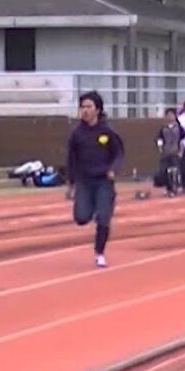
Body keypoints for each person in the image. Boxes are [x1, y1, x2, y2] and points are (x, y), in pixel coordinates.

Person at [66, 90, 125, 269]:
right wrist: (71, 184)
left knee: (103, 218)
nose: (85, 110)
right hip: (84, 181)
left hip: (103, 181)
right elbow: (71, 159)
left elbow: (119, 153)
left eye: (88, 107)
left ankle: (99, 253)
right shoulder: (76, 134)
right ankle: (90, 206)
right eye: (82, 107)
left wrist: (113, 169)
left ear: (97, 109)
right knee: (81, 217)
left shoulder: (108, 131)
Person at [155, 107, 183, 196]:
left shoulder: (179, 127)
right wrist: (160, 147)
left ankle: (176, 187)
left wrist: (181, 151)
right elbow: (159, 138)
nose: (170, 117)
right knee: (165, 170)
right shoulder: (163, 127)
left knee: (175, 171)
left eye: (171, 115)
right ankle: (168, 188)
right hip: (166, 152)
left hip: (175, 151)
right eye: (168, 115)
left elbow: (182, 140)